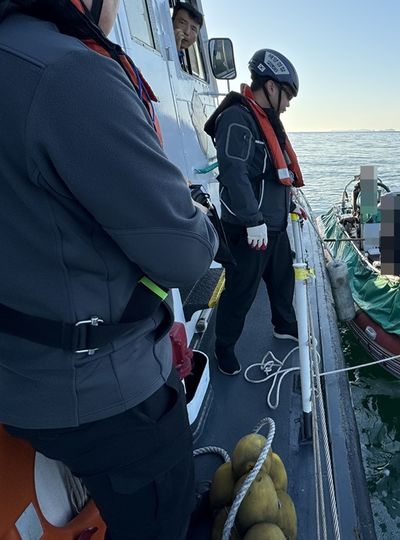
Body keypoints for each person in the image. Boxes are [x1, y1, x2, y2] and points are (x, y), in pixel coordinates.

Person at [0, 0, 218, 538]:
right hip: (105, 394)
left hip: (21, 376)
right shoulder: (69, 73)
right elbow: (184, 255)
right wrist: (207, 221)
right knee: (161, 517)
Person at [204, 48, 304, 375]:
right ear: (271, 87)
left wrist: (290, 205)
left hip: (272, 225)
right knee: (241, 290)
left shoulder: (268, 123)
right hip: (250, 229)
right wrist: (252, 219)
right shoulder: (237, 118)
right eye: (287, 95)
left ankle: (284, 325)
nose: (288, 104)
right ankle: (224, 347)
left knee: (282, 279)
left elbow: (274, 173)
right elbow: (234, 172)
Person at [172, 1, 202, 72]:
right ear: (171, 22)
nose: (187, 32)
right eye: (182, 23)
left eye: (193, 29)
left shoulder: (182, 57)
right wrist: (174, 49)